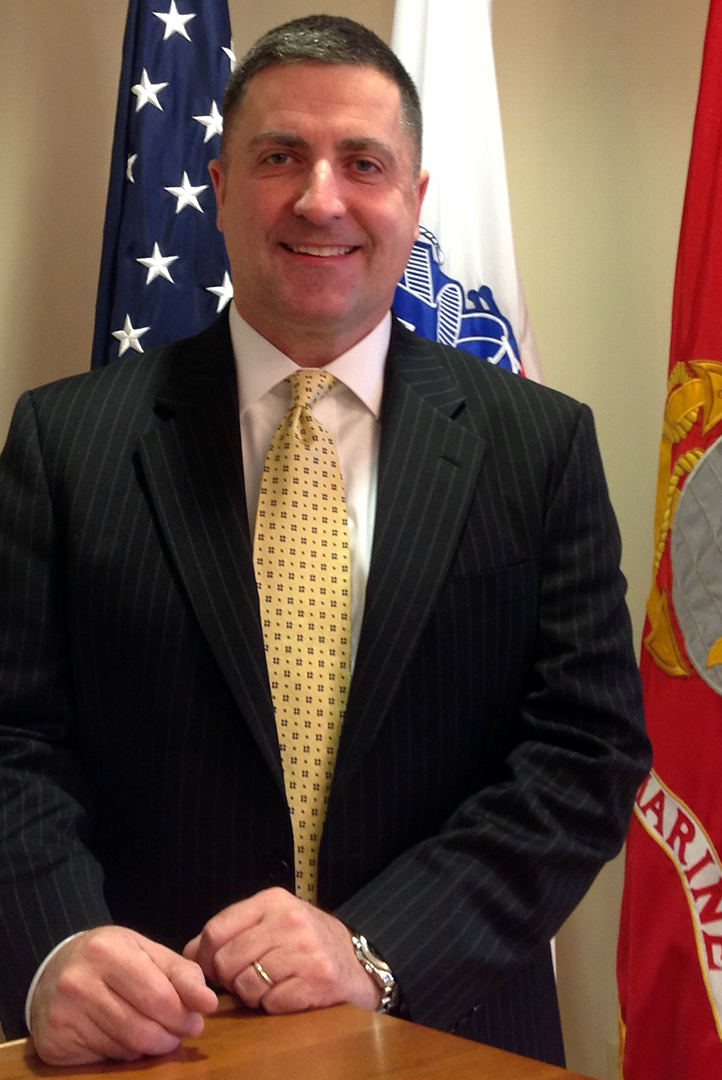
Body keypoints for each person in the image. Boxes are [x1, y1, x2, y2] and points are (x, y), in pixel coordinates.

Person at [0, 14, 650, 1069]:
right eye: (278, 157)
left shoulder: (537, 443)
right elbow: (13, 741)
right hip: (151, 1042)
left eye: (362, 162)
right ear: (216, 185)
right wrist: (57, 944)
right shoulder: (63, 439)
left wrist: (373, 947)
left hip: (449, 1030)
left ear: (415, 198)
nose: (319, 198)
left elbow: (584, 752)